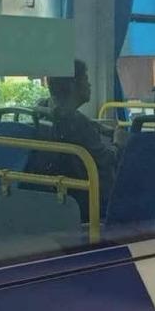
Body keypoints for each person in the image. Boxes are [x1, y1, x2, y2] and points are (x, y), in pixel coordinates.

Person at [36, 61, 119, 211]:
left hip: (58, 193)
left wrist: (97, 126)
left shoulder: (44, 110)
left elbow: (75, 118)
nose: (90, 85)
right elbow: (107, 158)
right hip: (90, 199)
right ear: (73, 85)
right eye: (86, 79)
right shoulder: (77, 125)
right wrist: (119, 143)